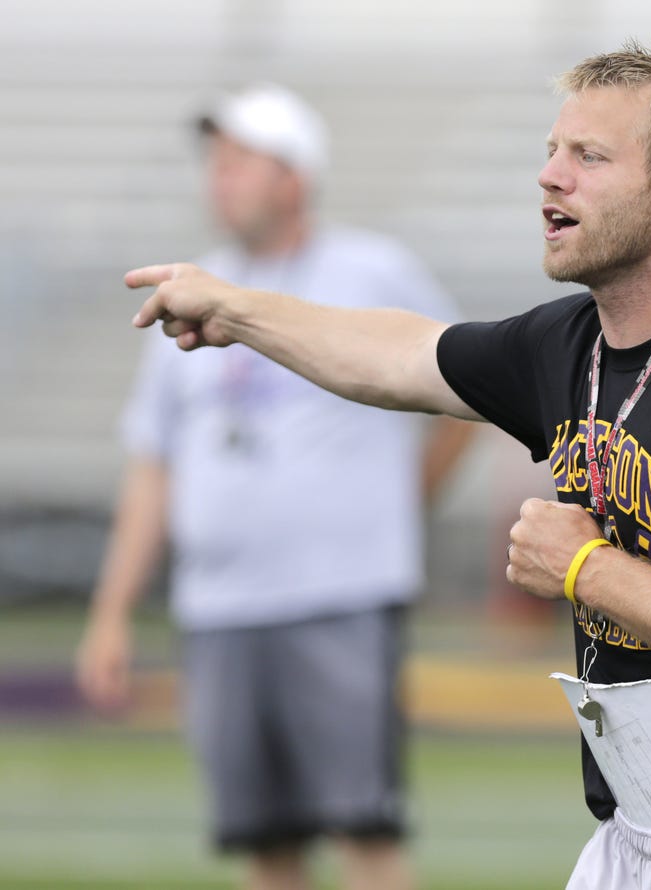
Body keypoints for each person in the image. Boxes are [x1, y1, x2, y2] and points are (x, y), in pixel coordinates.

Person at [117, 41, 651, 890]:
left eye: (589, 157)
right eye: (553, 152)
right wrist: (234, 306)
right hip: (639, 836)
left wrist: (584, 566)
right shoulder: (569, 344)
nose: (551, 177)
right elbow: (397, 354)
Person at [76, 84, 472, 890]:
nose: (217, 178)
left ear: (294, 177)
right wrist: (110, 613)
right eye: (215, 163)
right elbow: (154, 463)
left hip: (339, 594)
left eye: (239, 162)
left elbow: (468, 397)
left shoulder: (371, 269)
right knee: (263, 841)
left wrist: (402, 506)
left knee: (364, 828)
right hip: (220, 607)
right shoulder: (189, 284)